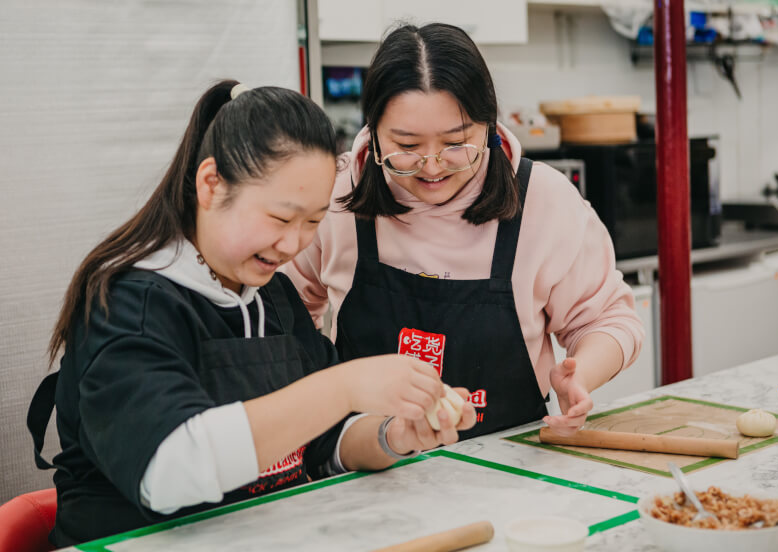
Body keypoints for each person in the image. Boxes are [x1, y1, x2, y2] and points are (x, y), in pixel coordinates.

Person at [27, 81, 476, 547]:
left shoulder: (272, 296)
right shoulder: (129, 303)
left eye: (312, 221)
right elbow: (169, 468)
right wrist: (344, 387)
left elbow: (322, 445)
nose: (294, 244)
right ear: (210, 184)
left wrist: (393, 435)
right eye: (280, 219)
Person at [283, 23, 645, 440]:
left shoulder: (543, 200)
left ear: (489, 128)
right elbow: (286, 314)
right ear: (373, 136)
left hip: (509, 471)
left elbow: (608, 318)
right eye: (407, 146)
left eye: (456, 144)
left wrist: (580, 374)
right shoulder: (336, 192)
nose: (433, 166)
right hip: (364, 474)